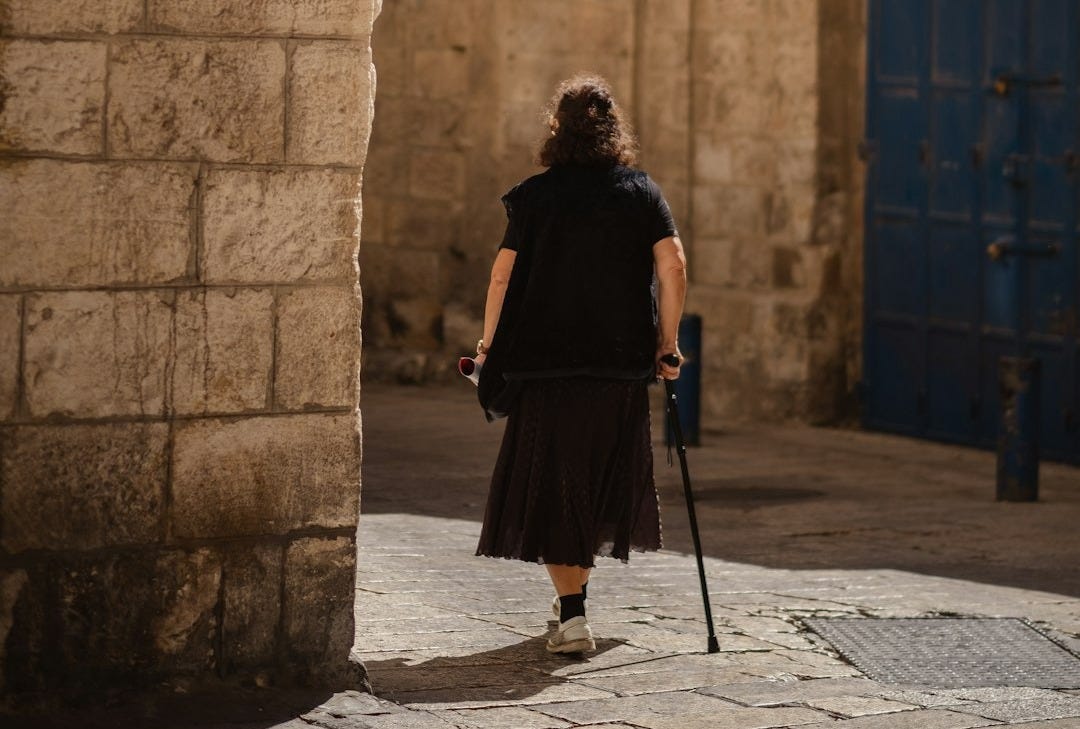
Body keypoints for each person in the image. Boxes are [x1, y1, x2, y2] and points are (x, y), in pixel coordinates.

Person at [472, 74, 687, 655]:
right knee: (592, 481)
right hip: (619, 367)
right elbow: (673, 268)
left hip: (547, 367)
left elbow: (501, 275)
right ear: (613, 130)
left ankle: (572, 615)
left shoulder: (535, 197)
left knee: (558, 485)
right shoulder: (641, 193)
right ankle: (571, 607)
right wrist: (666, 344)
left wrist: (488, 349)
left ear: (556, 131)